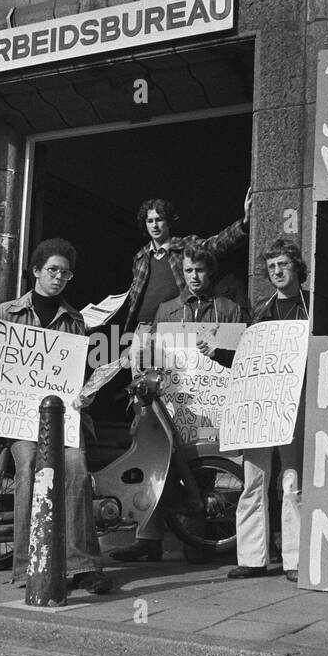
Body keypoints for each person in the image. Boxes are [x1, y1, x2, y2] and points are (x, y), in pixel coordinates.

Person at [107, 190, 252, 563]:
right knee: (151, 451)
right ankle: (149, 536)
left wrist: (246, 222)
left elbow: (214, 243)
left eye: (198, 270)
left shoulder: (226, 306)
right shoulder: (147, 269)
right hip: (158, 362)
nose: (193, 275)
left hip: (209, 402)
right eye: (150, 220)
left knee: (202, 458)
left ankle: (200, 537)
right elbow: (140, 313)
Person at [0, 238, 111, 595]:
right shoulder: (8, 312)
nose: (58, 277)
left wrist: (87, 392)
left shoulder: (75, 320)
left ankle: (82, 565)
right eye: (52, 270)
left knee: (76, 468)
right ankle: (28, 565)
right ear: (35, 271)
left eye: (65, 273)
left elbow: (77, 375)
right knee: (29, 466)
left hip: (64, 420)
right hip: (20, 420)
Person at [229, 238, 328, 582]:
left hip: (295, 400)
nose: (277, 271)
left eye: (283, 265)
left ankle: (295, 558)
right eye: (272, 266)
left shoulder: (315, 308)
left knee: (293, 480)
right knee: (253, 479)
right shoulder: (260, 309)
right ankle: (252, 557)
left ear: (297, 269)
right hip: (260, 401)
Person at [121, 189, 252, 334]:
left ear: (169, 222)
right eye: (150, 221)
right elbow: (133, 298)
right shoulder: (141, 257)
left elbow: (217, 243)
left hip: (173, 324)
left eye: (159, 220)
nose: (154, 225)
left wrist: (244, 223)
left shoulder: (185, 246)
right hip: (141, 328)